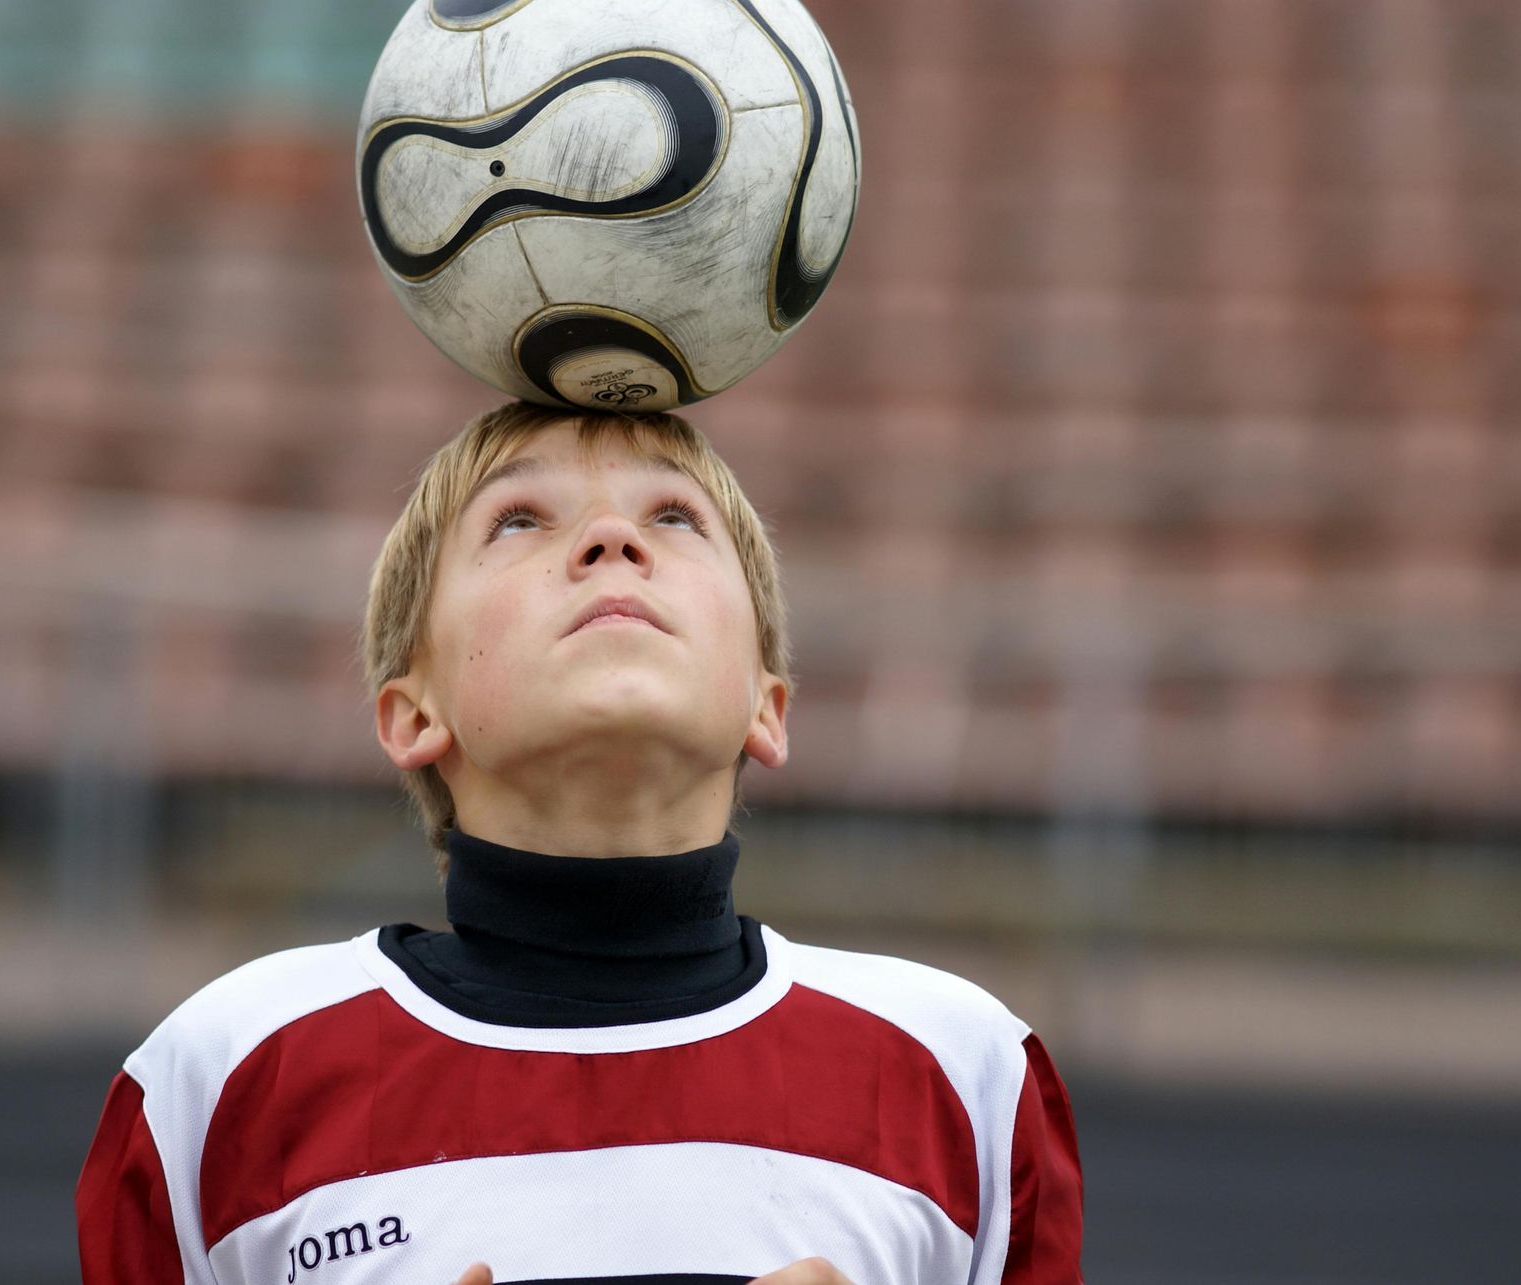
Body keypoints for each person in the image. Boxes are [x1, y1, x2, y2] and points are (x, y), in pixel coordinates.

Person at [75, 401, 1084, 1285]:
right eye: (518, 519)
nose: (611, 537)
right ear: (408, 711)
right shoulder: (223, 1080)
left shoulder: (961, 1073)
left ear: (766, 706)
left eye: (674, 517)